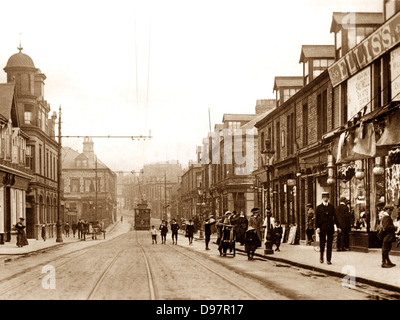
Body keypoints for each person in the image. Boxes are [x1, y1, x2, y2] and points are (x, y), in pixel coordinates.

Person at [315, 192, 338, 265]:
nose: (326, 199)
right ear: (322, 198)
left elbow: (335, 218)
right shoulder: (319, 208)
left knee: (329, 244)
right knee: (322, 243)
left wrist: (336, 226)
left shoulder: (331, 207)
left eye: (327, 197)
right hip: (322, 228)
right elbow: (316, 219)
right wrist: (317, 227)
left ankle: (328, 259)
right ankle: (321, 257)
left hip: (330, 228)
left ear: (328, 198)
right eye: (324, 197)